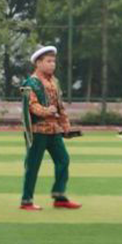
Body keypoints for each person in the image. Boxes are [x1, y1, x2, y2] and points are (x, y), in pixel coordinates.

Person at [20, 46, 81, 211]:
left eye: (53, 61)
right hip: (37, 131)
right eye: (48, 61)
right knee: (33, 165)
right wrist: (48, 111)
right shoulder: (30, 82)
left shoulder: (55, 82)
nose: (52, 64)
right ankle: (26, 200)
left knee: (63, 160)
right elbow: (31, 106)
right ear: (38, 63)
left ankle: (59, 196)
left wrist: (65, 124)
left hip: (53, 130)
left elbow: (60, 106)